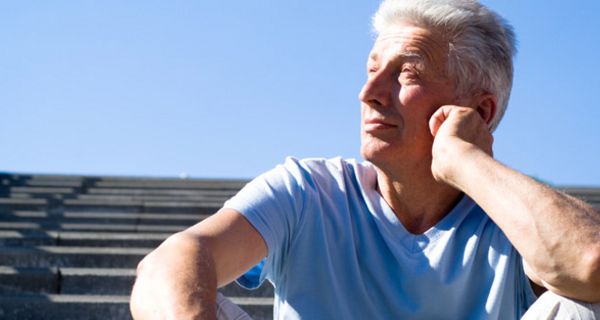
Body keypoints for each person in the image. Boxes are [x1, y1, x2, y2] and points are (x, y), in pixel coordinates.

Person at [130, 0, 600, 319]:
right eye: (373, 70)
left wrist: (464, 159)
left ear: (478, 111)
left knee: (578, 304)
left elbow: (590, 264)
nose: (369, 94)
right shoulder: (308, 191)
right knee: (179, 291)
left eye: (406, 74)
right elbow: (173, 261)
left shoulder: (512, 214)